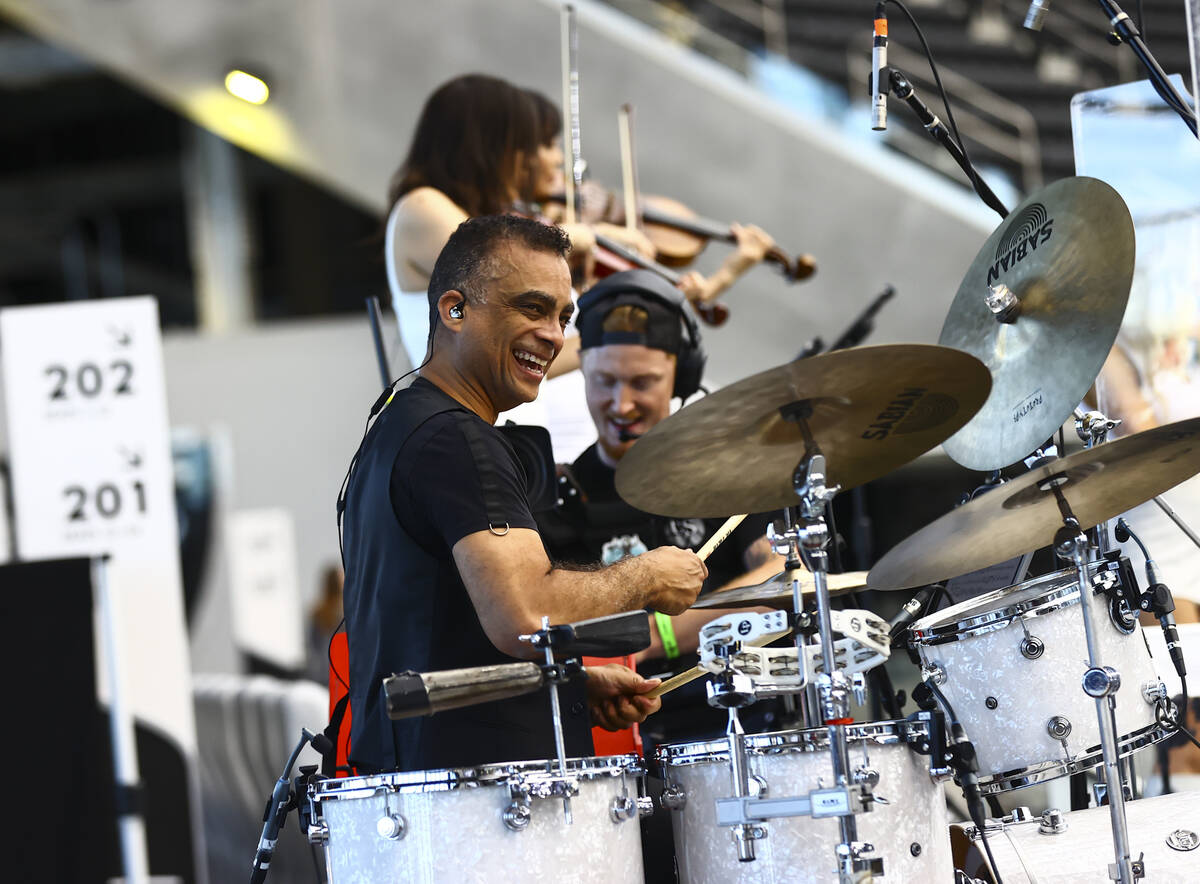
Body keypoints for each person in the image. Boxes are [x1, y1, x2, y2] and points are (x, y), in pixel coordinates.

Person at [341, 215, 709, 773]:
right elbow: (524, 612)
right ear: (454, 310)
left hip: (428, 792)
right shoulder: (459, 440)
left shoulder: (401, 422)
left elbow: (442, 632)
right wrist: (647, 577)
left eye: (563, 317)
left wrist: (572, 682)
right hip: (475, 812)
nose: (556, 336)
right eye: (532, 309)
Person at [535, 268, 784, 696]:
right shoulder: (563, 493)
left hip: (739, 709)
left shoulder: (725, 470)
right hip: (617, 735)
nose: (622, 403)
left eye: (642, 383)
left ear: (680, 379)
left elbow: (783, 576)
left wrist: (655, 638)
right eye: (604, 381)